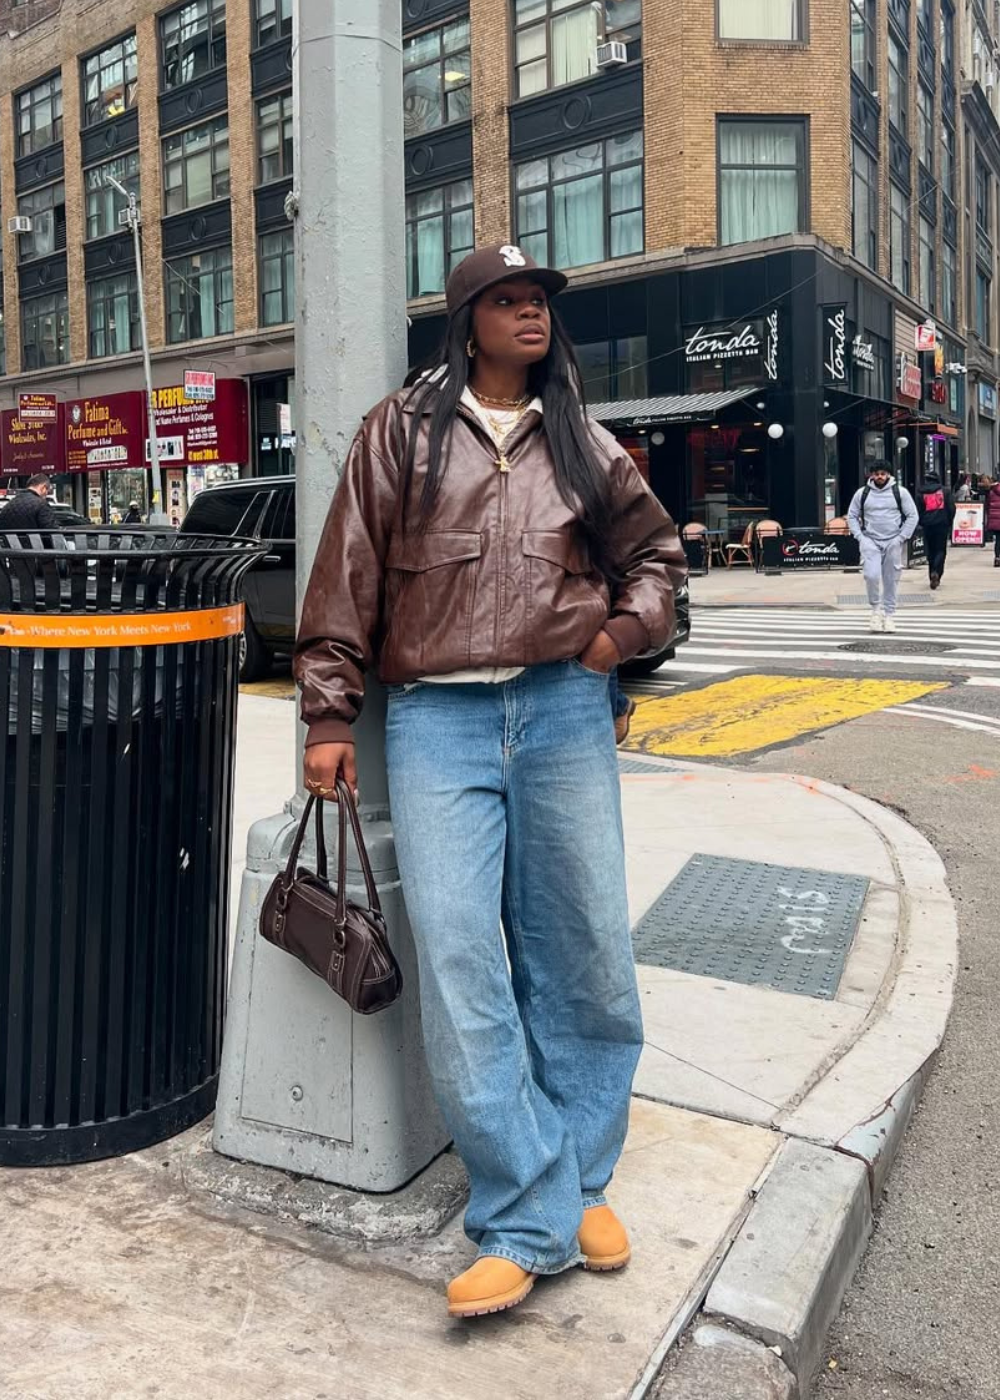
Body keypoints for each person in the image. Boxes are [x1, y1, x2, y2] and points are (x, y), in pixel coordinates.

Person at [295, 244, 686, 1319]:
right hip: (438, 720)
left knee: (583, 951)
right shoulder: (401, 431)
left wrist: (615, 640)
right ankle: (527, 1207)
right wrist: (329, 711)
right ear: (466, 319)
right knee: (462, 957)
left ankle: (580, 1182)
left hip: (562, 709)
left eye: (538, 301)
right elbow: (346, 571)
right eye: (506, 300)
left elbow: (657, 559)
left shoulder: (581, 440)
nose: (530, 315)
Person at [847, 460, 918, 632]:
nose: (879, 477)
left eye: (883, 474)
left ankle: (889, 615)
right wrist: (860, 537)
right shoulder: (862, 493)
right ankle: (875, 611)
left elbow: (913, 515)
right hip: (870, 540)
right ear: (871, 475)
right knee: (871, 575)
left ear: (889, 475)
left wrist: (901, 537)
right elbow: (852, 516)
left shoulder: (900, 492)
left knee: (891, 578)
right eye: (876, 474)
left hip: (893, 540)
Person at [916, 470, 956, 590]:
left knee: (930, 550)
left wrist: (921, 522)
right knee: (940, 550)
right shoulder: (945, 491)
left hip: (927, 525)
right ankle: (936, 572)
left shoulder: (921, 492)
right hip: (942, 524)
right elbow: (951, 508)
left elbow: (918, 510)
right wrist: (949, 521)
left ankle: (931, 573)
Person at [985, 477, 1000, 566]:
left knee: (998, 540)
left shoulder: (990, 492)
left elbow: (987, 506)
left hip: (995, 519)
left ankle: (997, 558)